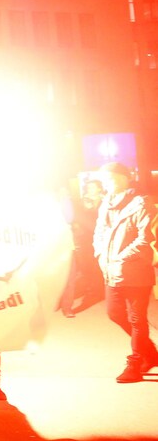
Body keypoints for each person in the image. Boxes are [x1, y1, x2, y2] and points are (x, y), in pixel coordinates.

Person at [91, 161, 158, 383]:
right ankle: (151, 354)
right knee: (115, 313)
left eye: (109, 179)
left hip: (135, 272)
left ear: (124, 178)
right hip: (111, 270)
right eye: (104, 180)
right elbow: (99, 232)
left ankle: (136, 363)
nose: (106, 184)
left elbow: (145, 239)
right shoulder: (106, 204)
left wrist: (119, 258)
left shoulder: (142, 204)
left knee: (136, 319)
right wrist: (100, 254)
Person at [60, 178, 105, 317]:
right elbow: (75, 220)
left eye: (93, 187)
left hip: (99, 239)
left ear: (99, 188)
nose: (89, 189)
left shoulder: (105, 202)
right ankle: (91, 291)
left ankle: (94, 294)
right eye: (88, 187)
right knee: (86, 267)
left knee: (96, 268)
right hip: (84, 241)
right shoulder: (82, 203)